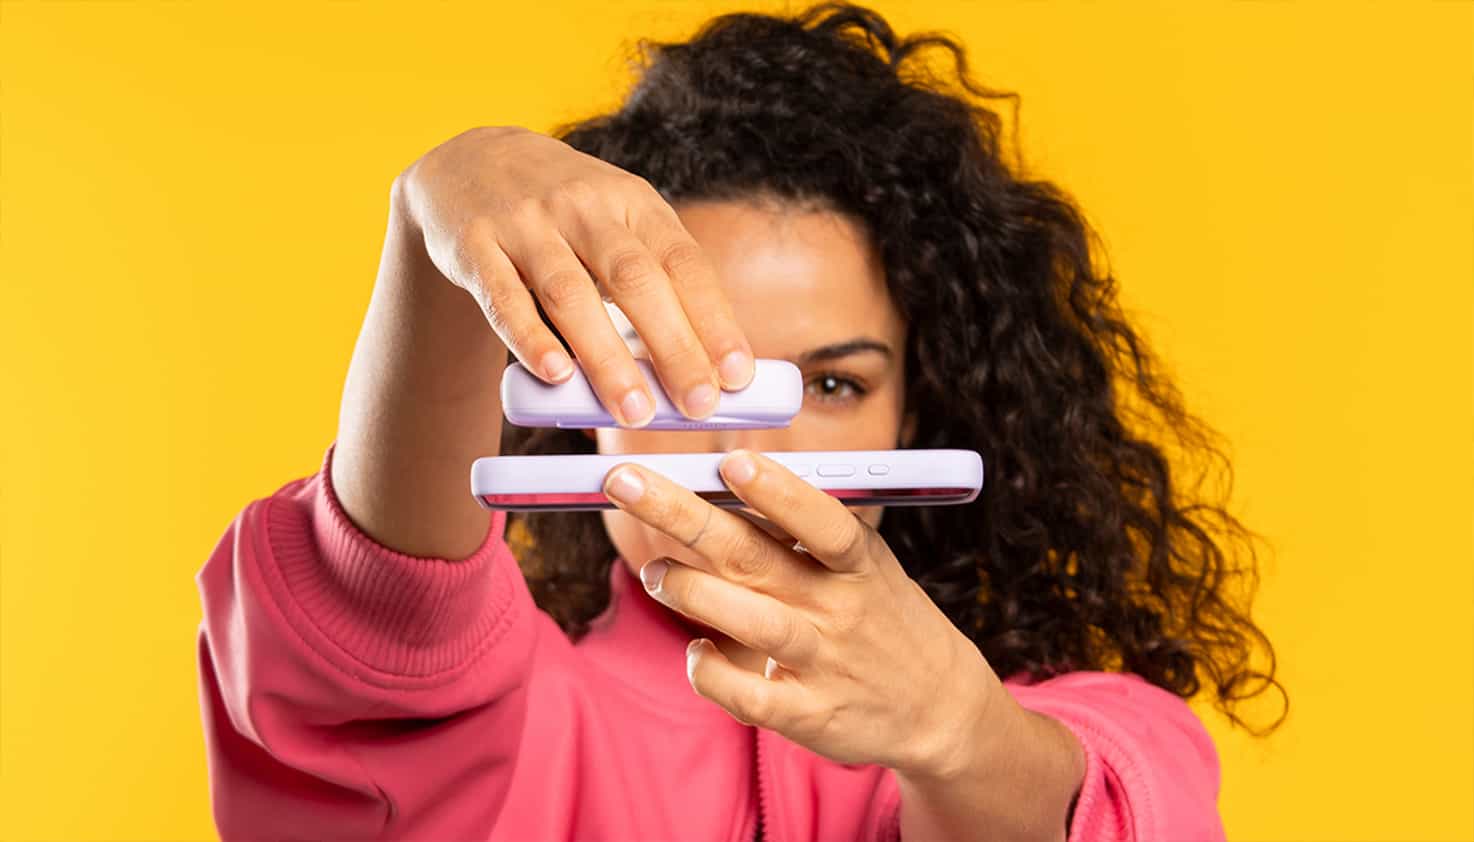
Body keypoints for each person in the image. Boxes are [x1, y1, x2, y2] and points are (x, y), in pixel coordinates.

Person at [196, 4, 1284, 839]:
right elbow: (379, 628)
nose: (749, 455)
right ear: (579, 400)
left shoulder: (1095, 738)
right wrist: (437, 245)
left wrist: (956, 731)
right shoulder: (509, 721)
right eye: (680, 378)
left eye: (833, 385)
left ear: (915, 414)